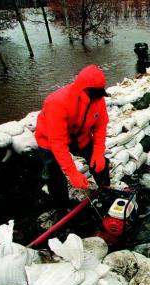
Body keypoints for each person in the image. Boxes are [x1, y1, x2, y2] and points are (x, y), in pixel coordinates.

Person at [35, 64, 110, 210]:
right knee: (54, 176)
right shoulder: (57, 102)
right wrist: (72, 172)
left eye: (98, 94)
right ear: (82, 88)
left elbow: (100, 126)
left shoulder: (98, 100)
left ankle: (106, 192)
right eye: (92, 93)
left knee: (101, 163)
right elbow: (57, 142)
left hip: (80, 136)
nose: (96, 98)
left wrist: (98, 152)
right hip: (49, 140)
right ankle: (62, 210)